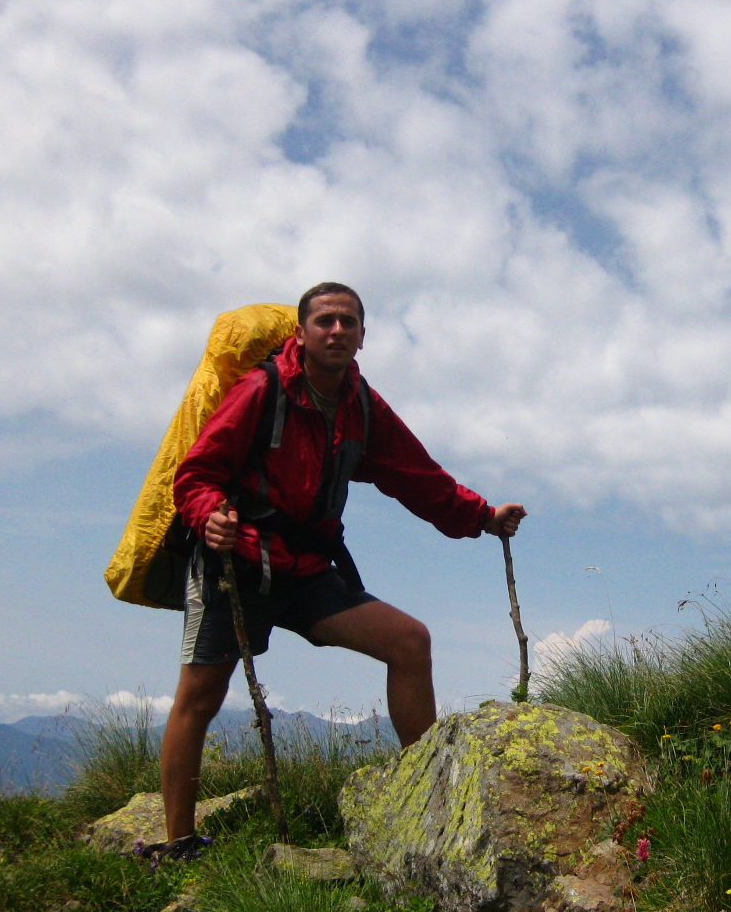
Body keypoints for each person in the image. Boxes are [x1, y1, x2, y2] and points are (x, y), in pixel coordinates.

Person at [149, 282, 526, 860]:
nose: (336, 331)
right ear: (300, 332)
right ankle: (176, 844)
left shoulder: (362, 406)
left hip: (305, 567)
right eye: (324, 321)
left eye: (347, 322)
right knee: (199, 695)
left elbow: (417, 477)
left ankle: (423, 801)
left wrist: (482, 516)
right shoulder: (260, 390)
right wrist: (209, 518)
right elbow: (196, 475)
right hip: (238, 560)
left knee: (409, 642)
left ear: (362, 336)